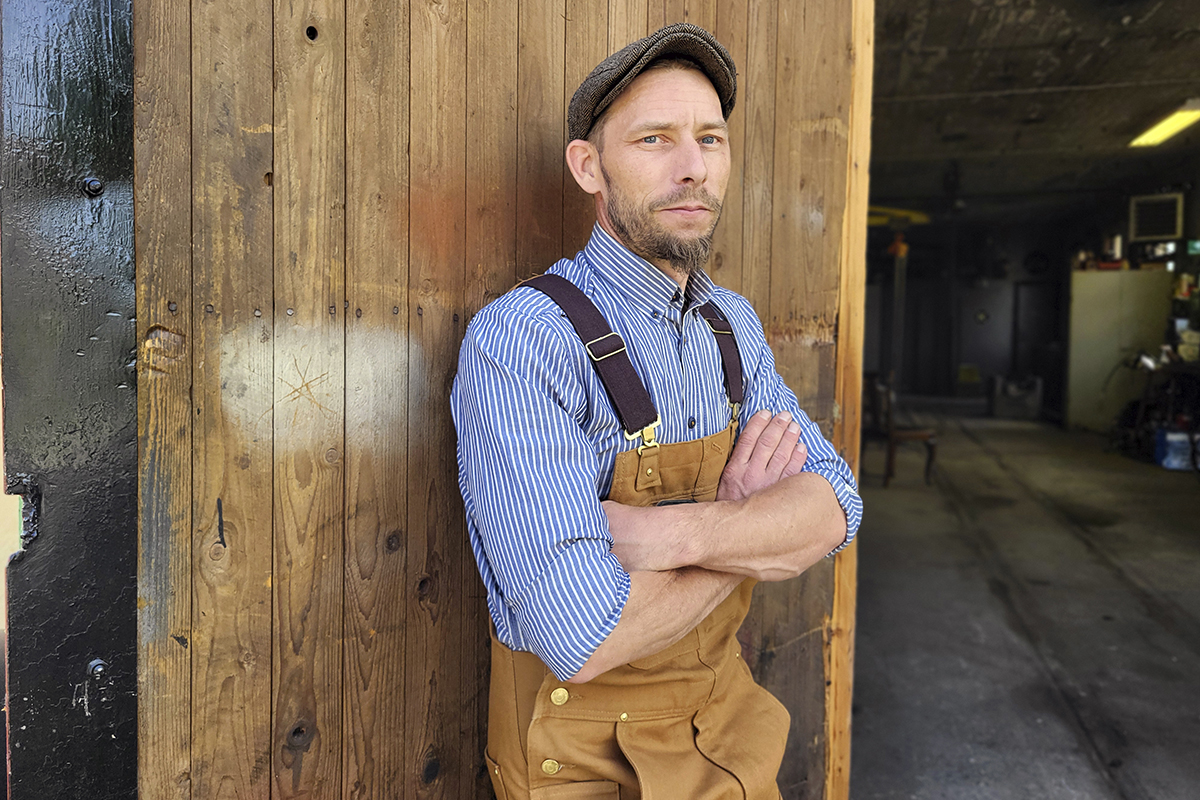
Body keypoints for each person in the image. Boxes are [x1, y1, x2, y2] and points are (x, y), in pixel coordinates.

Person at [451, 23, 863, 799]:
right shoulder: (524, 339)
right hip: (580, 762)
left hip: (726, 733)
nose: (692, 167)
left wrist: (683, 531)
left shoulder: (730, 325)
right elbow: (584, 635)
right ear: (589, 167)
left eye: (710, 138)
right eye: (654, 140)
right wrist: (753, 529)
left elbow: (836, 508)